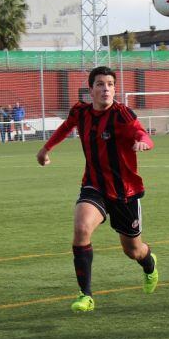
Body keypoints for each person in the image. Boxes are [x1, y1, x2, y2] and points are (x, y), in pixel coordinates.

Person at [36, 66, 158, 313]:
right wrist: (45, 149)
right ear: (90, 89)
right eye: (101, 84)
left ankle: (149, 265)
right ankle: (86, 295)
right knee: (81, 228)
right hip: (94, 186)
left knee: (133, 250)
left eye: (111, 84)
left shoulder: (121, 114)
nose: (106, 89)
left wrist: (143, 142)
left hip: (125, 192)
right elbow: (65, 127)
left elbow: (142, 133)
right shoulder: (80, 111)